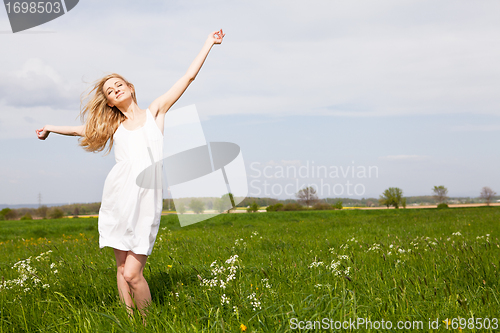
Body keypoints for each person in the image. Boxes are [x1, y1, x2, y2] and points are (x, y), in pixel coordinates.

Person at [35, 29, 225, 316]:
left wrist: (209, 43)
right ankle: (129, 320)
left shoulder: (155, 112)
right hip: (117, 196)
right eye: (110, 91)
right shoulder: (113, 127)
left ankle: (148, 323)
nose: (115, 90)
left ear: (130, 87)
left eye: (118, 85)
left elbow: (187, 78)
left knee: (132, 273)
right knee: (121, 267)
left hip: (147, 197)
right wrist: (49, 128)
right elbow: (78, 129)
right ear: (110, 102)